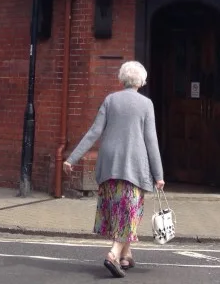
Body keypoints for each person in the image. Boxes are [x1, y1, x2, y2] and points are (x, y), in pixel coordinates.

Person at [63, 61, 164, 278]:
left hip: (109, 164)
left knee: (120, 210)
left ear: (122, 78)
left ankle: (127, 255)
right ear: (142, 80)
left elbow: (93, 132)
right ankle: (114, 254)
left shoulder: (110, 100)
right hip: (133, 165)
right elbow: (151, 141)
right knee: (130, 211)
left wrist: (72, 158)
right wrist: (159, 174)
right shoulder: (146, 104)